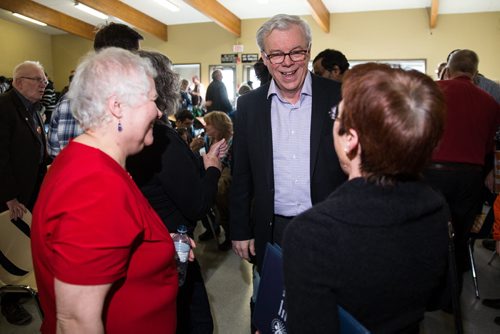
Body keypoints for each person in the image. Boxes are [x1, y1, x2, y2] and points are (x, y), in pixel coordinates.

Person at [283, 63, 449, 333]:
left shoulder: (312, 234)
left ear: (350, 139)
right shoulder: (435, 207)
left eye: (336, 114)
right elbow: (436, 299)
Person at [31, 48, 184, 334]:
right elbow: (77, 322)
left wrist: (158, 243)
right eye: (152, 100)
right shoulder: (95, 187)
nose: (159, 111)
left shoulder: (89, 162)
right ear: (117, 106)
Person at [229, 15, 346, 331]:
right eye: (277, 54)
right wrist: (240, 229)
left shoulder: (339, 97)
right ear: (264, 59)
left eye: (297, 52)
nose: (288, 62)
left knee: (327, 314)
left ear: (309, 51)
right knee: (273, 315)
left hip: (329, 228)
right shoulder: (249, 105)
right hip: (273, 230)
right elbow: (241, 174)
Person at [127, 50, 227, 334]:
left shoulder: (141, 135)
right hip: (174, 252)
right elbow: (196, 204)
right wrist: (212, 168)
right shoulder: (159, 138)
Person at [424, 49, 500, 294]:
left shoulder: (431, 91)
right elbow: (489, 145)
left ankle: (428, 292)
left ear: (449, 68)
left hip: (431, 172)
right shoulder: (490, 102)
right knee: (459, 235)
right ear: (475, 73)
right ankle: (451, 298)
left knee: (429, 231)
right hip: (470, 177)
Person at [0, 60, 50, 326]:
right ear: (19, 82)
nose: (44, 85)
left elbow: (37, 148)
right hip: (12, 198)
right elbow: (1, 157)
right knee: (13, 250)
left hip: (31, 191)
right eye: (38, 80)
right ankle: (9, 300)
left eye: (44, 80)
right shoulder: (5, 107)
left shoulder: (32, 108)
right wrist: (10, 196)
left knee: (28, 246)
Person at [47, 22, 144, 158]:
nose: (139, 61)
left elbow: (54, 153)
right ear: (122, 56)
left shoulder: (67, 100)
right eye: (136, 55)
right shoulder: (126, 101)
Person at [203, 111, 233, 251]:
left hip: (227, 183)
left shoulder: (232, 141)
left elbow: (228, 164)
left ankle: (230, 236)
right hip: (214, 179)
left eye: (208, 124)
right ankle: (214, 229)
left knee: (225, 211)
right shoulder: (208, 139)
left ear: (217, 125)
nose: (205, 127)